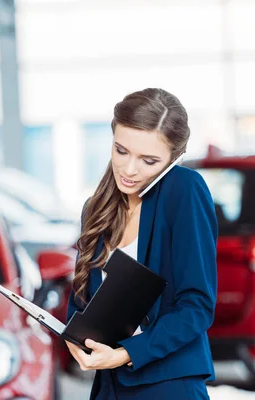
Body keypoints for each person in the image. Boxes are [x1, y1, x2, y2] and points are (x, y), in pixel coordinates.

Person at [65, 88, 218, 399]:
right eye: (121, 151)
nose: (130, 169)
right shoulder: (95, 208)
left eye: (148, 160)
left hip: (168, 385)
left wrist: (125, 353)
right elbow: (83, 300)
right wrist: (73, 338)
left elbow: (197, 306)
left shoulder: (184, 191)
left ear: (175, 158)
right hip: (109, 387)